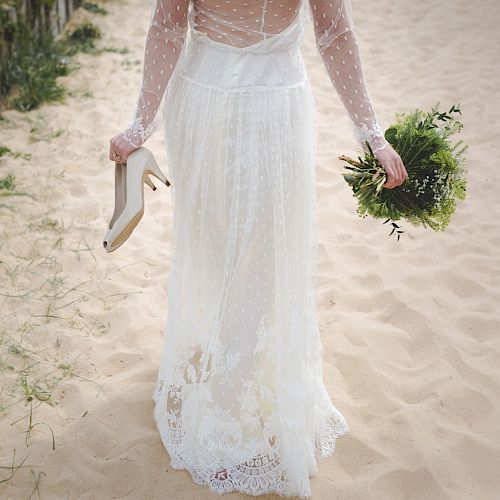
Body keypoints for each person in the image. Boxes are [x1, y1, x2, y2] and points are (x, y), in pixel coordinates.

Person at [108, 0, 407, 497]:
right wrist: (141, 124)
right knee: (219, 244)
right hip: (209, 103)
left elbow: (334, 31)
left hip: (269, 106)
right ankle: (220, 373)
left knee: (260, 256)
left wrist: (372, 135)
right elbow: (167, 24)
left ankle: (229, 402)